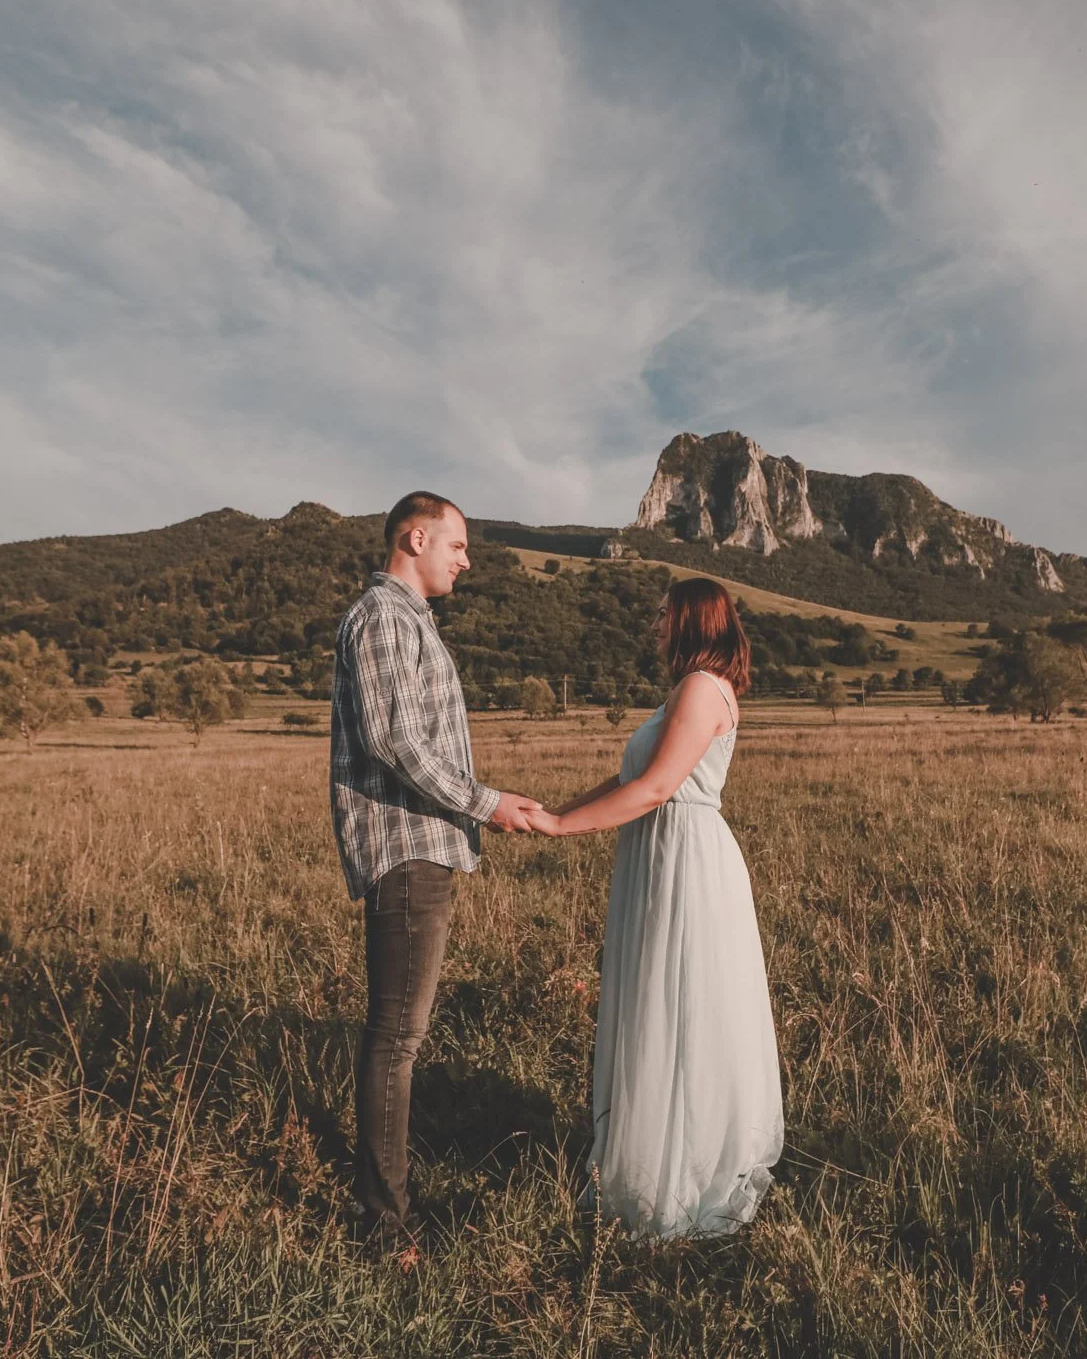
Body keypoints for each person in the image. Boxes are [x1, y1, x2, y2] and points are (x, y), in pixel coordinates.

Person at [531, 577, 782, 1237]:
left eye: (665, 612)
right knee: (657, 996)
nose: (655, 622)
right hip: (659, 852)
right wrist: (558, 811)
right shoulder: (688, 687)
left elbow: (656, 788)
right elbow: (626, 781)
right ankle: (649, 1152)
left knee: (678, 1002)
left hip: (685, 856)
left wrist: (562, 829)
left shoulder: (703, 689)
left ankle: (677, 1172)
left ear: (694, 619)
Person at [329, 491, 544, 1246]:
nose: (466, 558)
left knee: (400, 1033)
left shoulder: (409, 620)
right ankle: (382, 1222)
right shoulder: (384, 616)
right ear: (415, 537)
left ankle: (383, 1203)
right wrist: (486, 803)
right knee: (396, 1035)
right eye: (456, 544)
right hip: (408, 845)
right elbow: (394, 740)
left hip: (424, 842)